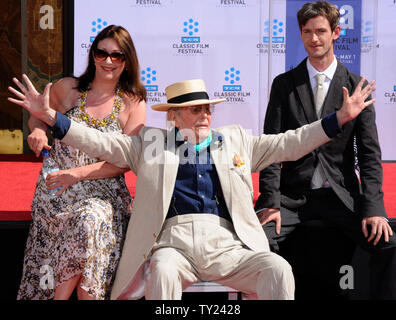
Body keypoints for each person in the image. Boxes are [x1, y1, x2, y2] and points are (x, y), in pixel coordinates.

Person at [9, 76, 375, 300]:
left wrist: (339, 118)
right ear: (173, 116)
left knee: (278, 270)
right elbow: (98, 143)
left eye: (206, 110)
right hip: (174, 245)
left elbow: (291, 142)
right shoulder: (149, 143)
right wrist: (53, 118)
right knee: (163, 271)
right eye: (194, 111)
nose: (203, 117)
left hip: (228, 245)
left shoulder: (234, 141)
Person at [254, 1, 396, 299]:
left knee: (388, 243)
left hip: (341, 196)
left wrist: (374, 209)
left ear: (336, 32)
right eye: (307, 32)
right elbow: (270, 150)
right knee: (257, 243)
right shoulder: (284, 85)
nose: (313, 38)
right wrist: (270, 202)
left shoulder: (357, 86)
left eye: (320, 31)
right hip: (293, 196)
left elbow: (369, 155)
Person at [9, 25, 146, 300]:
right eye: (101, 53)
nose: (108, 61)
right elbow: (40, 116)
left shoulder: (133, 103)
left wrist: (79, 174)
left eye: (117, 56)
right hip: (57, 189)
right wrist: (36, 130)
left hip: (102, 189)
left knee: (90, 220)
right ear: (93, 55)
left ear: (127, 60)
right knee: (84, 225)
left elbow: (125, 160)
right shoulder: (68, 88)